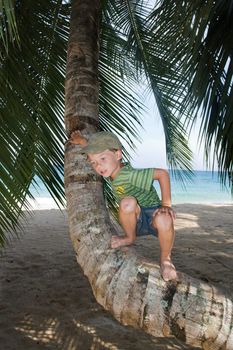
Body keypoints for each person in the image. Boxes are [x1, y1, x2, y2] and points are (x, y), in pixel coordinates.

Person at [68, 130, 177, 281]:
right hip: (135, 219)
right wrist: (82, 142)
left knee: (164, 218)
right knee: (127, 203)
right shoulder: (111, 168)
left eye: (103, 159)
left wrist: (166, 205)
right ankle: (130, 237)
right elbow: (99, 153)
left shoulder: (129, 175)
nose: (98, 165)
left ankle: (166, 259)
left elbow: (162, 174)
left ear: (118, 155)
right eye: (93, 162)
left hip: (154, 218)